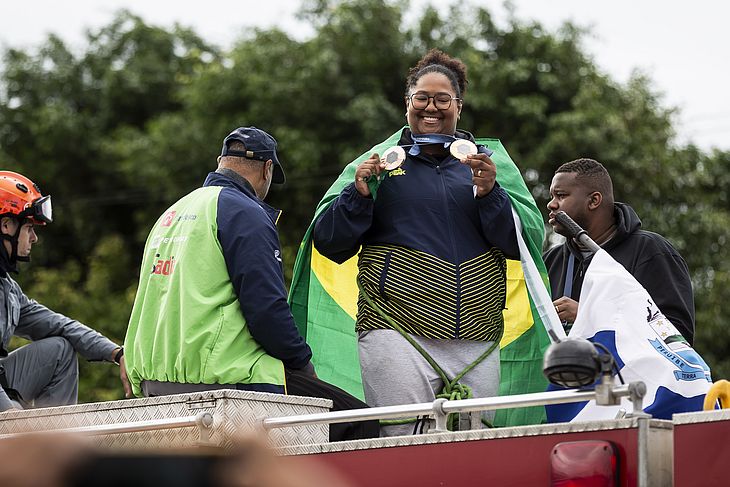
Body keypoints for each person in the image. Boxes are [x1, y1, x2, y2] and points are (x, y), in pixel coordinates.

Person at [312, 49, 520, 436]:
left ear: (459, 105)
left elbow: (518, 246)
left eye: (443, 99)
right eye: (421, 97)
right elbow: (329, 243)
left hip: (477, 335)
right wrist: (358, 195)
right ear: (407, 103)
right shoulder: (378, 165)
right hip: (396, 331)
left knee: (476, 451)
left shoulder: (489, 167)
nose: (432, 107)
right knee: (402, 446)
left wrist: (490, 192)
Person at [123, 126, 378, 442]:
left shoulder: (173, 212)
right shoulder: (244, 211)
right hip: (227, 380)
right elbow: (266, 310)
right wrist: (301, 363)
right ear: (268, 169)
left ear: (220, 161)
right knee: (361, 422)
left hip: (154, 382)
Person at [0, 171, 129, 412]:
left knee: (59, 349)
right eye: (29, 228)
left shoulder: (8, 289)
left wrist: (116, 353)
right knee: (14, 426)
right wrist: (11, 420)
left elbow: (60, 325)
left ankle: (54, 441)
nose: (35, 238)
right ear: (6, 225)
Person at [544, 158, 695, 344]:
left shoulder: (651, 251)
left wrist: (588, 315)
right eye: (552, 196)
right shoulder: (551, 260)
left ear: (594, 201)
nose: (551, 204)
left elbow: (676, 336)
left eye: (561, 195)